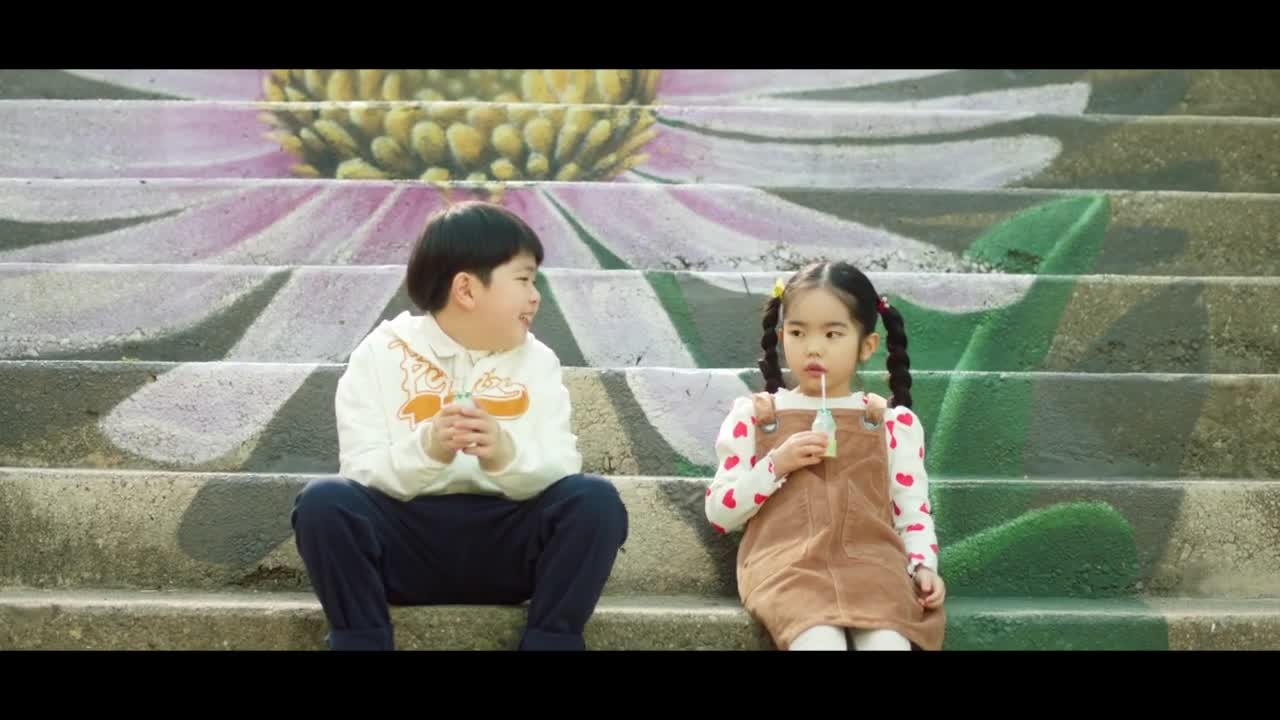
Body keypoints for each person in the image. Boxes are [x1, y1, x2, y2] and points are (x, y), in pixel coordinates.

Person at [291, 201, 628, 651]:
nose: (535, 296)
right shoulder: (379, 354)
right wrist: (428, 448)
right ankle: (361, 640)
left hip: (508, 548)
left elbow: (563, 465)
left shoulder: (539, 361)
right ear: (466, 290)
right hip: (405, 547)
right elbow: (361, 470)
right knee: (324, 502)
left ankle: (551, 640)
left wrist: (505, 454)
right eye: (524, 279)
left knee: (595, 501)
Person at [705, 261, 945, 651]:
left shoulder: (889, 423)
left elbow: (912, 511)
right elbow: (720, 513)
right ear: (781, 336)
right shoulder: (756, 417)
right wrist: (776, 464)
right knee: (818, 641)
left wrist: (922, 566)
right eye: (798, 332)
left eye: (833, 334)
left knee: (887, 643)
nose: (813, 347)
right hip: (787, 567)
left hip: (873, 567)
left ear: (867, 345)